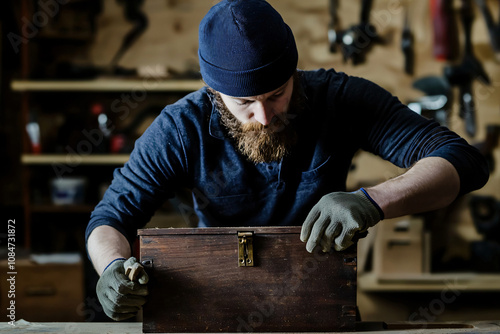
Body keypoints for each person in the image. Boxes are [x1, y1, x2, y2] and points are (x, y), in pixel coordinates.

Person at [86, 0, 489, 321]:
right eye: (244, 103)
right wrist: (112, 267)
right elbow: (109, 218)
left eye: (277, 94)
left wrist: (372, 200)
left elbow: (462, 160)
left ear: (294, 72)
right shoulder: (179, 128)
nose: (265, 118)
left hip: (320, 306)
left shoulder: (339, 98)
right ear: (213, 91)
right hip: (214, 310)